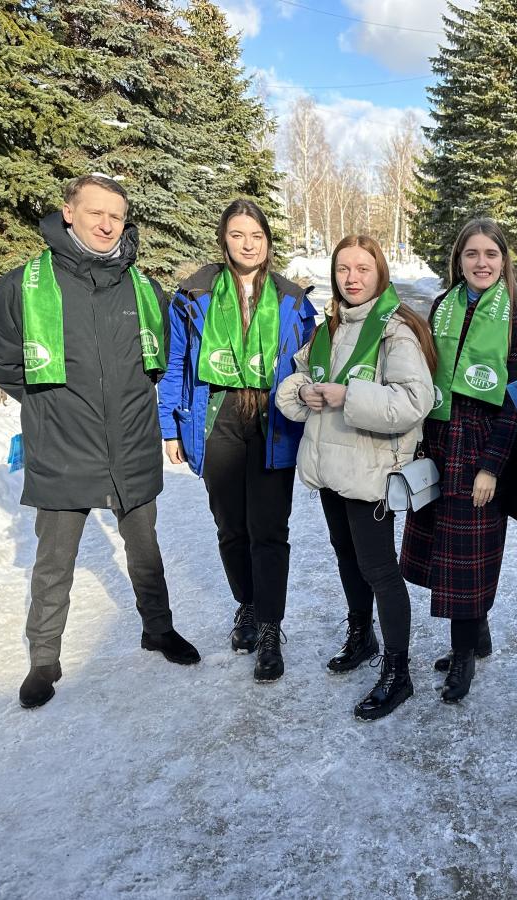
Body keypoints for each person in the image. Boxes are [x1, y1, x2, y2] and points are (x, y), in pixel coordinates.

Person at [0, 174, 200, 709]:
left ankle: (158, 628)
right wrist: (51, 409)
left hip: (131, 442)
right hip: (62, 446)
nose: (107, 225)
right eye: (95, 213)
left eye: (117, 216)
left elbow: (162, 358)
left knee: (145, 549)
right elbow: (4, 360)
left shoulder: (143, 288)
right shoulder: (24, 285)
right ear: (69, 213)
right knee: (55, 560)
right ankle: (43, 660)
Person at [274, 235, 436, 718]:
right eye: (344, 269)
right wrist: (304, 393)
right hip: (330, 469)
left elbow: (414, 402)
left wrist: (349, 396)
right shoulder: (331, 326)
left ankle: (398, 671)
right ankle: (362, 634)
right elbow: (297, 379)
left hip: (370, 472)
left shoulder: (395, 330)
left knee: (381, 571)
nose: (352, 278)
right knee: (347, 559)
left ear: (380, 273)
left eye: (363, 269)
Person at [157, 199, 315, 683]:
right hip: (217, 414)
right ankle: (246, 605)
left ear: (268, 242)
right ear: (223, 239)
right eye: (237, 235)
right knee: (230, 527)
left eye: (257, 236)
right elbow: (177, 363)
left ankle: (270, 628)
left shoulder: (292, 300)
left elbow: (311, 363)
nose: (248, 244)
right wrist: (169, 427)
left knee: (269, 529)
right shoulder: (195, 294)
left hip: (274, 418)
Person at [400, 218, 517, 704]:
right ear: (458, 260)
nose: (482, 263)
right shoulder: (442, 307)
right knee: (447, 550)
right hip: (440, 443)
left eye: (491, 255)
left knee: (467, 562)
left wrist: (491, 468)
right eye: (472, 254)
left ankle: (462, 656)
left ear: (505, 261)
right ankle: (476, 636)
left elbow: (516, 401)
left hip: (479, 448)